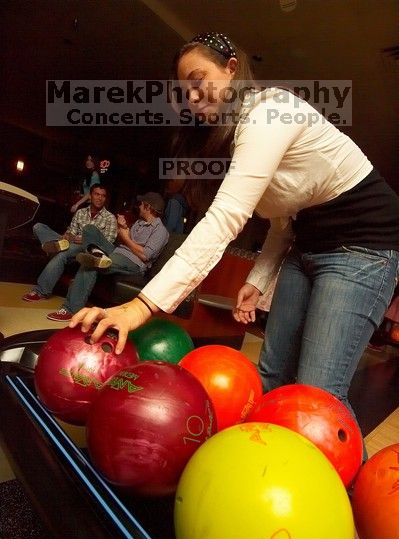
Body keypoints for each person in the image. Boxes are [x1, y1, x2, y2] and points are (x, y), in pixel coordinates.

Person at [69, 33, 399, 439]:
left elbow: (226, 218)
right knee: (272, 375)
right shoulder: (236, 136)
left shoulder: (270, 111)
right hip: (306, 245)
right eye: (184, 92)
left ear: (231, 68)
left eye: (198, 79)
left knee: (318, 396)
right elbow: (284, 220)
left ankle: (355, 498)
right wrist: (257, 281)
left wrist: (141, 307)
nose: (191, 98)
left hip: (364, 248)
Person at [50, 192, 169, 322]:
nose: (139, 207)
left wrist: (124, 236)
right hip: (118, 251)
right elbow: (128, 241)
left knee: (90, 263)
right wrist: (123, 228)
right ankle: (97, 253)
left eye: (141, 204)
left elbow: (145, 255)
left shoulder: (160, 231)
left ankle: (71, 310)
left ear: (148, 207)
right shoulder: (139, 222)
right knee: (90, 229)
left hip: (134, 262)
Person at [22, 184, 117, 314]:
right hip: (71, 245)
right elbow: (71, 232)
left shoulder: (110, 218)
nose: (100, 198)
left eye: (103, 195)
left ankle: (42, 289)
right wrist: (68, 236)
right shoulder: (80, 212)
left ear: (105, 198)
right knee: (39, 227)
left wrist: (84, 239)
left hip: (89, 250)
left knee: (62, 253)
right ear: (90, 195)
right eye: (96, 194)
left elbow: (107, 243)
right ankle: (57, 244)